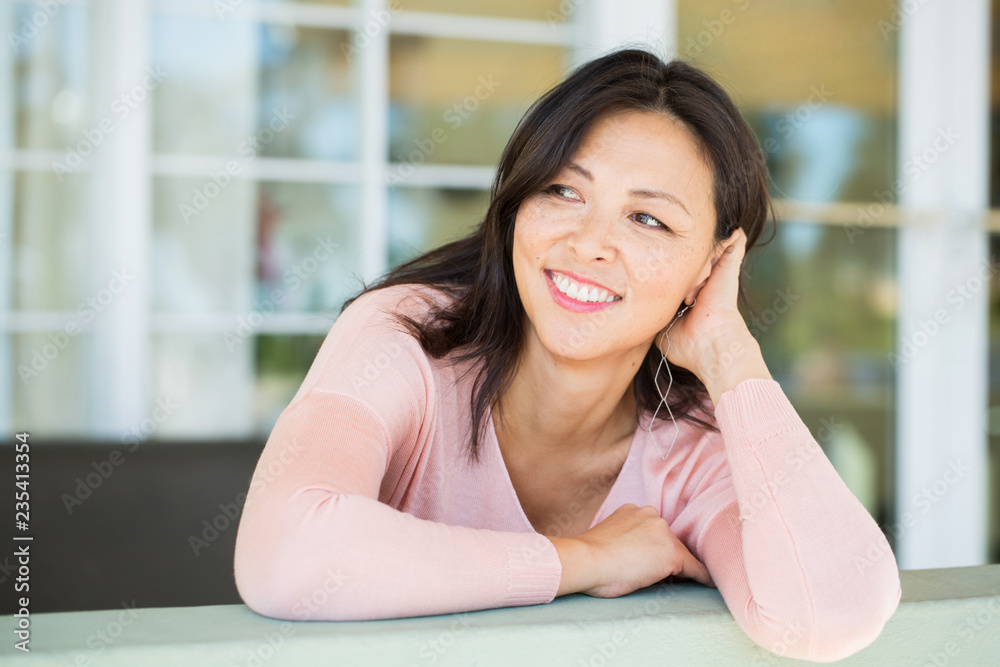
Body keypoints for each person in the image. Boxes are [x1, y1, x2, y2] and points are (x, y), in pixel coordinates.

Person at [233, 47, 901, 661]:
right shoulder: (407, 337)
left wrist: (731, 355)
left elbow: (830, 612)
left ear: (711, 266)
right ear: (518, 201)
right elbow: (285, 551)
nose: (589, 243)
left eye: (648, 219)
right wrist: (582, 559)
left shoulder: (688, 442)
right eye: (563, 190)